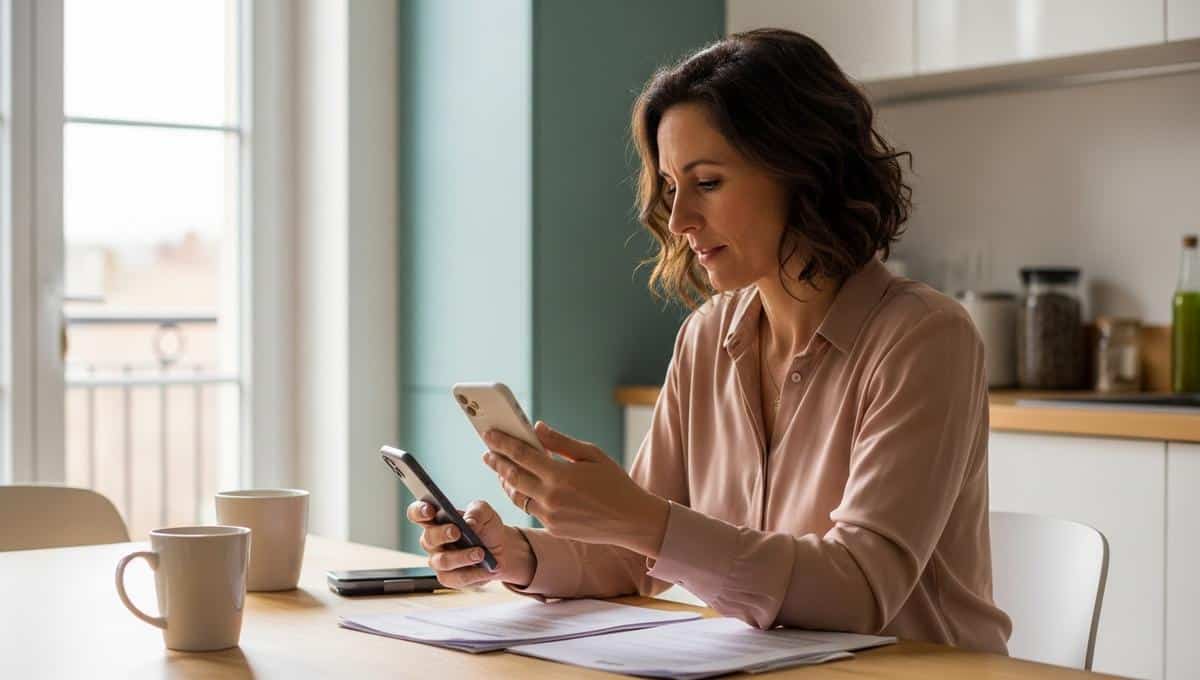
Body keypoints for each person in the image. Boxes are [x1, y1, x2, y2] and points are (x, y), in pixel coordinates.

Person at [407, 28, 1012, 654]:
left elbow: (859, 591)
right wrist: (517, 554)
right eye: (672, 187)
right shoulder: (706, 338)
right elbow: (632, 556)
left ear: (803, 169)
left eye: (708, 182)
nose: (679, 221)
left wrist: (642, 519)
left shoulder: (923, 337)